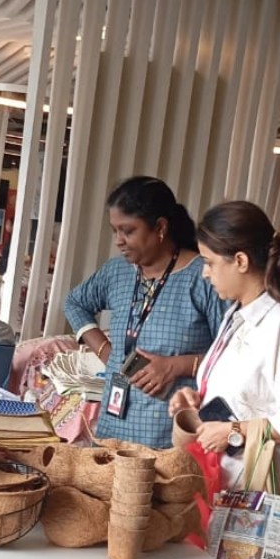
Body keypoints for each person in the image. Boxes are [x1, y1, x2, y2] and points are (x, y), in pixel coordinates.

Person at [168, 201, 280, 523]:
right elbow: (247, 393)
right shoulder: (238, 313)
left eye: (210, 263)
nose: (205, 273)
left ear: (240, 261)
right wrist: (198, 398)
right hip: (230, 481)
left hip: (263, 490)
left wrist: (234, 431)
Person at [64, 176, 225, 447]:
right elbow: (74, 303)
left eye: (128, 231)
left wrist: (175, 366)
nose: (119, 241)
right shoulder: (117, 272)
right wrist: (106, 352)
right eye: (115, 231)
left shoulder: (204, 277)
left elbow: (233, 353)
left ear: (160, 227)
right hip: (112, 427)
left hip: (167, 433)